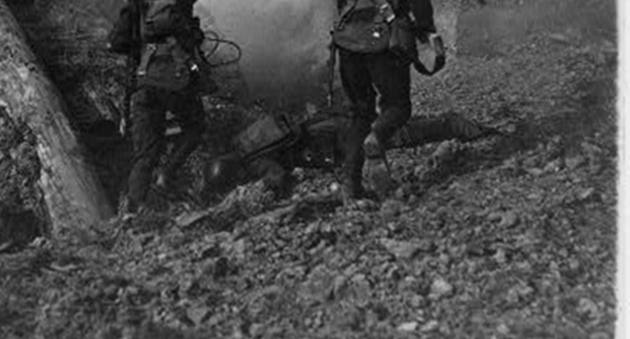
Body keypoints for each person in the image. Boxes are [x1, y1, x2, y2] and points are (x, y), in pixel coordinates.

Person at [109, 0, 235, 213]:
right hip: (177, 80)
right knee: (194, 127)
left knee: (145, 154)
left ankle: (131, 213)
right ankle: (167, 174)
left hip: (144, 83)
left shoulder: (134, 5)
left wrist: (140, 42)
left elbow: (117, 44)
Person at [329, 0, 440, 202]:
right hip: (383, 41)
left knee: (359, 113)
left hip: (348, 43)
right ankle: (376, 138)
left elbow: (341, 2)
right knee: (398, 107)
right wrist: (425, 26)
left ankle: (351, 188)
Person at [206, 109, 496, 197]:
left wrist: (265, 192)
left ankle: (458, 125)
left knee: (397, 136)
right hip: (325, 126)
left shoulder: (255, 161)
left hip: (332, 139)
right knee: (394, 129)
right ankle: (456, 123)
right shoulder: (245, 143)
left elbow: (277, 177)